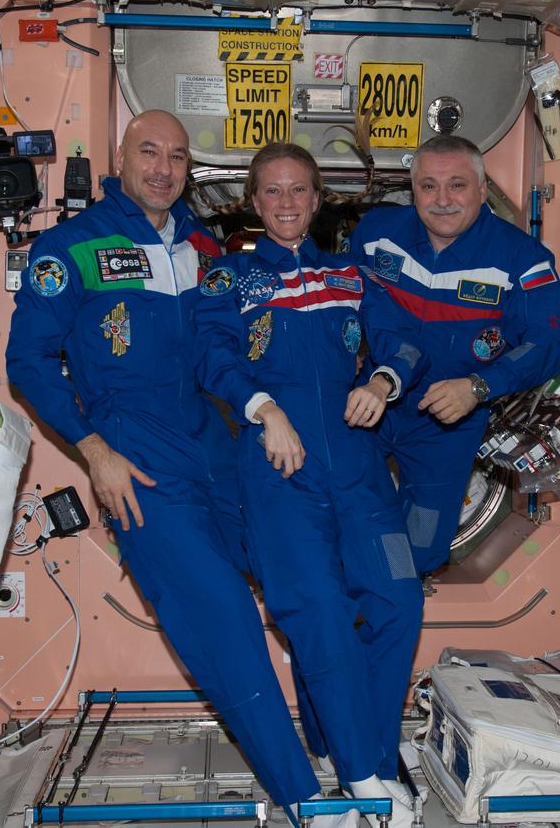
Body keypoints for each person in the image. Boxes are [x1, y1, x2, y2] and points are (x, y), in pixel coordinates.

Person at [5, 111, 328, 821]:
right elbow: (26, 360)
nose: (163, 167)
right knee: (224, 617)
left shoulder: (209, 248)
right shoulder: (71, 247)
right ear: (120, 156)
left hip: (218, 449)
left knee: (303, 580)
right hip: (138, 462)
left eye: (178, 157)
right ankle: (304, 799)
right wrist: (94, 453)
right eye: (148, 151)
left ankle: (340, 748)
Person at [194, 143, 425, 827]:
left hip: (358, 470)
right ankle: (364, 776)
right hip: (279, 471)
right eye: (272, 192)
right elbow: (212, 354)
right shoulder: (226, 279)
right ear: (254, 202)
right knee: (318, 610)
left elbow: (404, 340)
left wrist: (383, 381)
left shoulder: (355, 274)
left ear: (318, 199)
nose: (287, 203)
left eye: (299, 191)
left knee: (398, 599)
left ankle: (358, 751)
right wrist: (264, 410)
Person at [351, 134, 560, 576]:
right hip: (373, 403)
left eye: (457, 185)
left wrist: (479, 387)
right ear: (412, 189)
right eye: (428, 186)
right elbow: (346, 306)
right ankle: (351, 597)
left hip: (448, 421)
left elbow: (549, 345)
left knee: (421, 537)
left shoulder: (521, 259)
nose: (442, 200)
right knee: (342, 505)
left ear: (483, 187)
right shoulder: (376, 234)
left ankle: (395, 591)